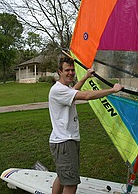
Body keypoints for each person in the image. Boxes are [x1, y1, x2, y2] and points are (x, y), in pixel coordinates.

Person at [49, 56, 123, 194]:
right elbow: (87, 95)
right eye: (67, 70)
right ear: (59, 71)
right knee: (71, 184)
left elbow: (73, 92)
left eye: (72, 70)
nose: (71, 73)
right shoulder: (58, 90)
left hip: (64, 140)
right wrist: (112, 90)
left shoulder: (63, 88)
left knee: (62, 176)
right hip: (65, 141)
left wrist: (85, 77)